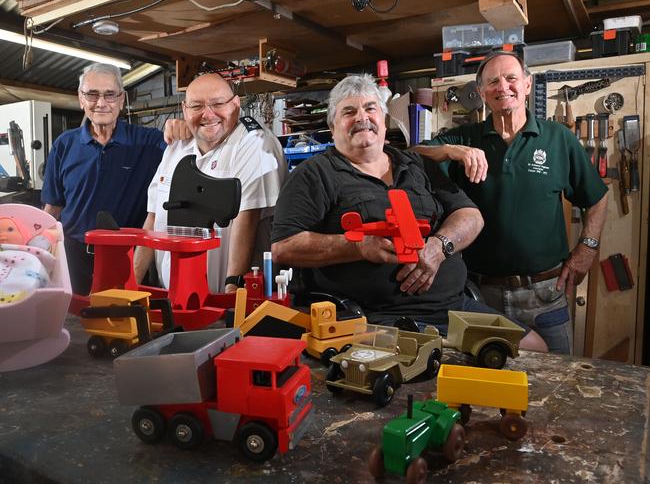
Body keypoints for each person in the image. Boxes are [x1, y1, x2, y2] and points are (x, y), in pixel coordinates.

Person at [271, 74, 547, 351]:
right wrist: (356, 247)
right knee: (431, 365)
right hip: (373, 320)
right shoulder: (315, 174)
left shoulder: (415, 164)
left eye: (370, 108)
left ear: (384, 119)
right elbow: (284, 247)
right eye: (349, 112)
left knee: (533, 347)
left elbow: (470, 216)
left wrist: (440, 247)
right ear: (332, 127)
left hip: (452, 308)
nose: (361, 117)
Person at [415, 51, 608, 354]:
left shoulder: (558, 139)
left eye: (511, 78)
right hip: (481, 297)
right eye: (492, 81)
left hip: (545, 294)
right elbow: (412, 154)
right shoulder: (466, 138)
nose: (502, 86)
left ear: (527, 85)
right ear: (481, 93)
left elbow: (597, 197)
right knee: (488, 392)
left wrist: (588, 248)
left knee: (556, 386)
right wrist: (453, 151)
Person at [134, 73, 287, 293]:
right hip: (173, 299)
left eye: (217, 104)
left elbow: (248, 219)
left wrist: (231, 295)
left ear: (236, 104)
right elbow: (153, 218)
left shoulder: (254, 143)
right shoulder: (176, 148)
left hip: (225, 302)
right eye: (197, 106)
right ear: (184, 109)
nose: (208, 114)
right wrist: (130, 287)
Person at [42, 63, 166, 295]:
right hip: (73, 259)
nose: (101, 103)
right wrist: (41, 255)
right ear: (80, 99)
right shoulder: (64, 145)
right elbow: (52, 209)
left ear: (121, 99)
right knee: (74, 321)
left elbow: (184, 145)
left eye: (110, 94)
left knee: (123, 321)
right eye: (92, 94)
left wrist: (177, 127)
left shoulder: (149, 143)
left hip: (127, 257)